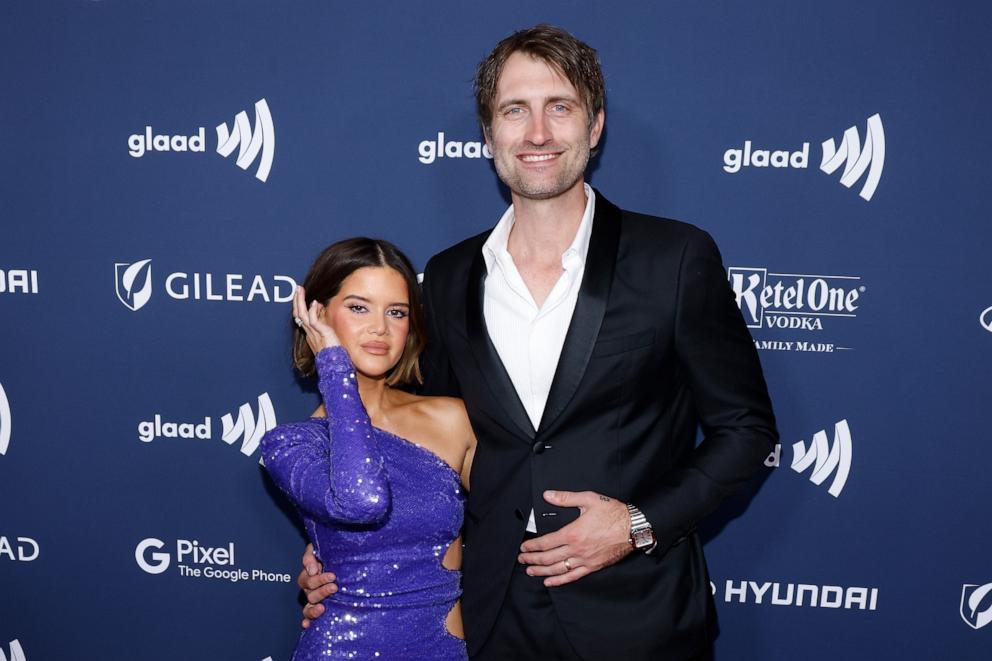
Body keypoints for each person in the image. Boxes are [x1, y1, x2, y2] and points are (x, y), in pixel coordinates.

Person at [300, 25, 777, 660]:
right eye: (514, 110)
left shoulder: (676, 257)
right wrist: (341, 546)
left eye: (560, 107)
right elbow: (412, 444)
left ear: (595, 125)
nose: (538, 133)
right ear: (490, 133)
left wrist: (637, 525)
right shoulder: (447, 277)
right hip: (488, 611)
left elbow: (746, 430)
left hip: (638, 612)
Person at [260, 238, 476, 660]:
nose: (380, 328)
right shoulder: (291, 445)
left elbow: (512, 526)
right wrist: (335, 369)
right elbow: (363, 501)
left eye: (396, 312)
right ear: (317, 315)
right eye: (359, 307)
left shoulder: (452, 419)